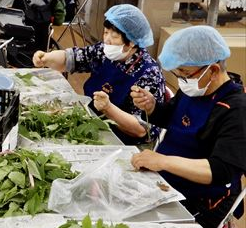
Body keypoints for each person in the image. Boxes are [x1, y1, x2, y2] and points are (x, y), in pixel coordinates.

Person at [130, 26, 246, 228]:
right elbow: (170, 116)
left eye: (184, 73)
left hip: (202, 200)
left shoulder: (237, 109)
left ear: (213, 70)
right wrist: (152, 106)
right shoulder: (195, 88)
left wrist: (163, 161)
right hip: (164, 181)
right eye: (178, 73)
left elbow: (221, 170)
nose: (181, 80)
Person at [33, 4, 166, 146]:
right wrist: (46, 58)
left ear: (132, 41)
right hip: (94, 123)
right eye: (105, 33)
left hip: (127, 143)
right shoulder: (104, 52)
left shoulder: (148, 73)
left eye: (114, 36)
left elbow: (141, 130)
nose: (107, 40)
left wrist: (108, 108)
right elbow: (73, 58)